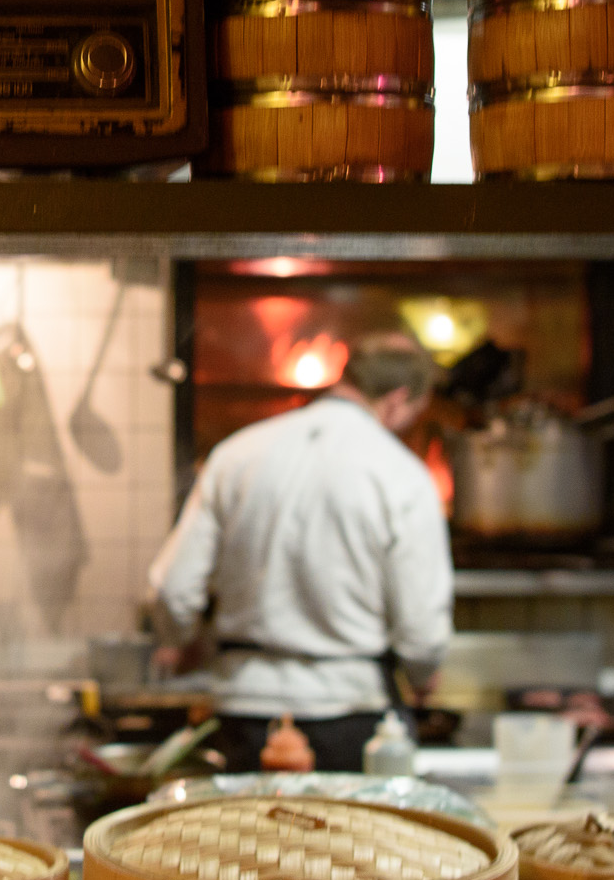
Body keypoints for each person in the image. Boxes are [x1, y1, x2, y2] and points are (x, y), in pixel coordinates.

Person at [145, 331, 453, 774]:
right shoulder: (402, 474)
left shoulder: (236, 454)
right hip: (354, 715)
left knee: (247, 845)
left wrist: (181, 640)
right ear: (397, 400)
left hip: (245, 710)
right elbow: (422, 630)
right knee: (351, 845)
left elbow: (173, 589)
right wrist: (423, 677)